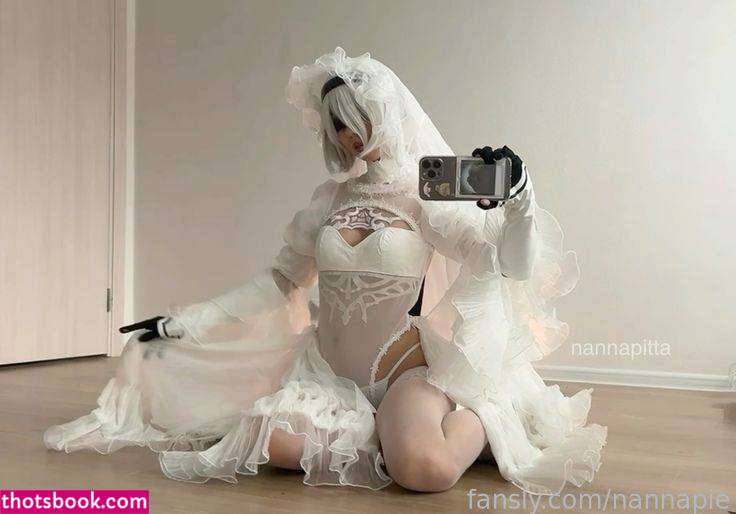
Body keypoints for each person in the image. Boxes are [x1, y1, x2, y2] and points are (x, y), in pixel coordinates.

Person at [44, 46, 606, 494]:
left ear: (385, 112)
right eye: (336, 123)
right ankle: (382, 434)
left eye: (355, 118)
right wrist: (185, 321)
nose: (347, 134)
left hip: (403, 372)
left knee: (426, 471)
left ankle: (483, 418)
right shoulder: (328, 200)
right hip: (328, 376)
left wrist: (520, 202)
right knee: (265, 444)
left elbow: (508, 264)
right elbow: (278, 281)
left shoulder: (426, 195)